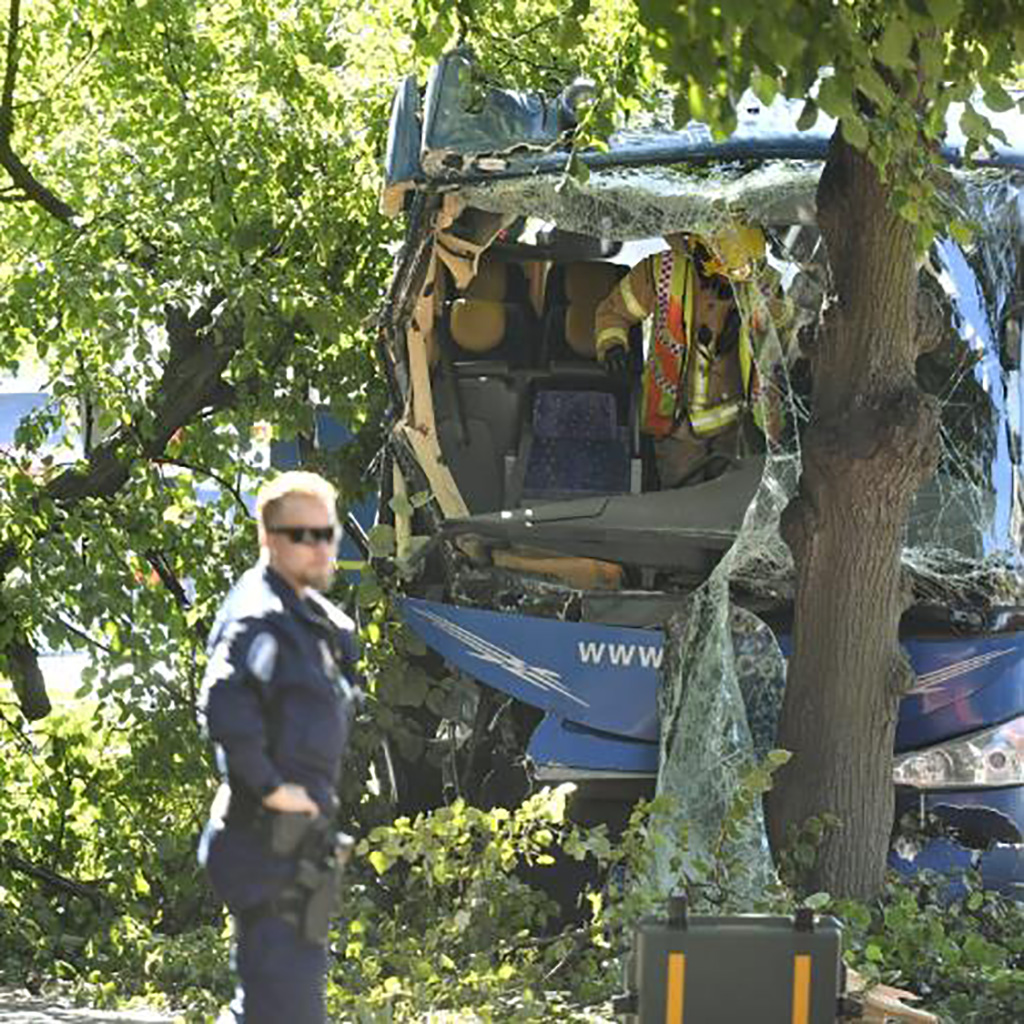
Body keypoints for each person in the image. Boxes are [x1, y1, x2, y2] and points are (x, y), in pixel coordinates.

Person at [198, 470, 359, 1024]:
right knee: (286, 1007)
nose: (318, 546)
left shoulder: (307, 616)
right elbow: (223, 702)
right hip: (264, 840)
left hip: (296, 845)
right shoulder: (260, 616)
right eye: (301, 535)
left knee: (272, 1006)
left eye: (326, 532)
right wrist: (272, 789)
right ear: (269, 538)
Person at [594, 226, 773, 488]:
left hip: (737, 428)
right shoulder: (663, 272)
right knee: (682, 509)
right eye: (725, 278)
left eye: (736, 279)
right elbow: (614, 312)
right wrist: (612, 346)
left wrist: (750, 323)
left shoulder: (762, 280)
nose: (730, 286)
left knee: (731, 511)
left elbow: (790, 329)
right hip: (677, 427)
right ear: (703, 256)